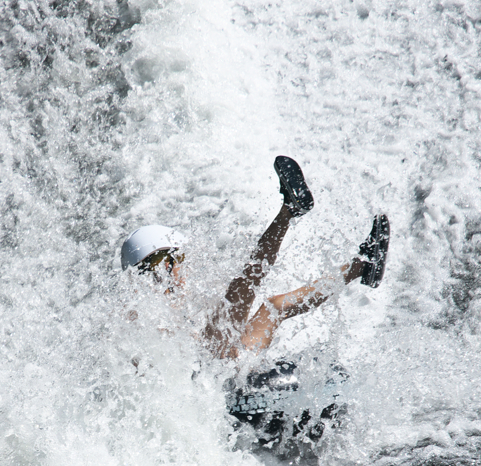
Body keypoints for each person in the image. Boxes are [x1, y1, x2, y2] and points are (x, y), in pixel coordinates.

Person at [119, 155, 390, 362]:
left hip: (229, 367)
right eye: (153, 267)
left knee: (274, 307)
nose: (166, 273)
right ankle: (288, 211)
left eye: (170, 261)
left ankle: (362, 266)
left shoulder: (176, 304)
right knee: (235, 298)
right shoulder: (139, 317)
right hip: (206, 385)